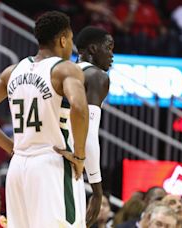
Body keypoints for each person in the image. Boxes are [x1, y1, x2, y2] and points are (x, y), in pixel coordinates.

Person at [0, 11, 89, 228]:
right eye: (70, 40)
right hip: (52, 163)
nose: (72, 47)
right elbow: (79, 107)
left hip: (18, 167)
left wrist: (10, 146)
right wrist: (79, 155)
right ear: (62, 39)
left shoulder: (13, 71)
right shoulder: (65, 69)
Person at [61, 25, 114, 227]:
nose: (112, 55)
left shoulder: (59, 72)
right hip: (65, 165)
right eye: (108, 48)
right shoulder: (96, 76)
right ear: (92, 49)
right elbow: (88, 136)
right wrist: (97, 191)